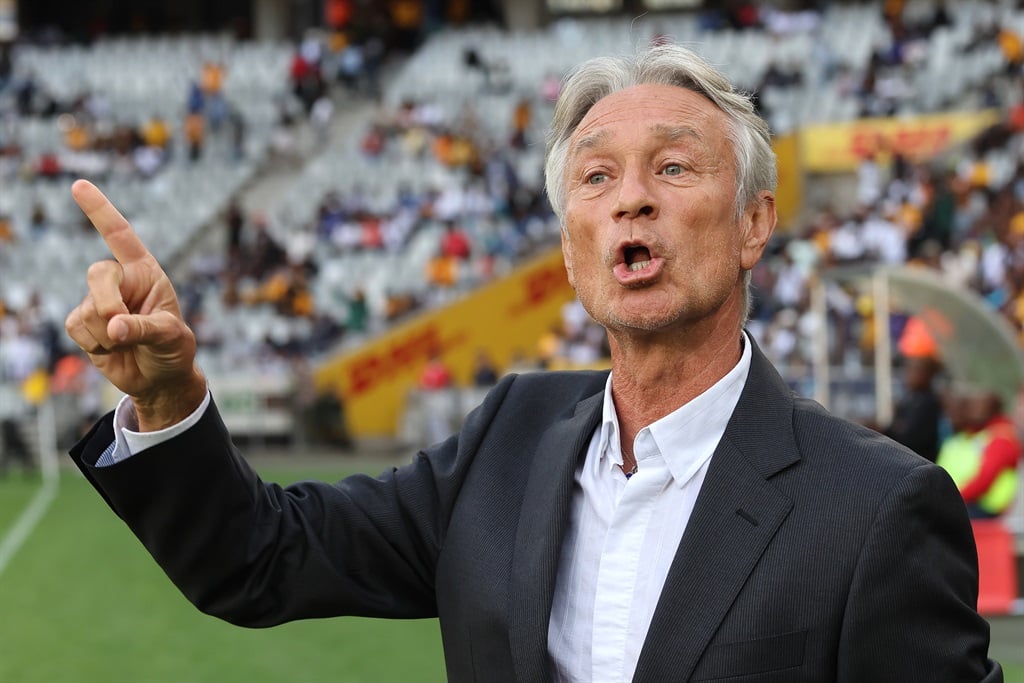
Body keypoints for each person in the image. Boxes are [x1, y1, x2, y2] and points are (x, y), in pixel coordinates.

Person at [65, 44, 1000, 681]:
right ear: (568, 245)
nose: (630, 200)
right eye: (596, 177)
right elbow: (259, 558)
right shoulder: (506, 442)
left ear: (755, 221)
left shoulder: (875, 506)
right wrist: (170, 398)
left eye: (674, 168)